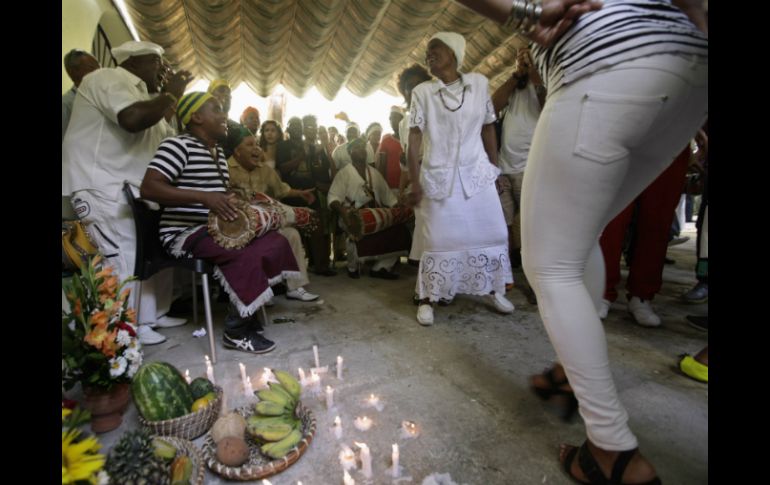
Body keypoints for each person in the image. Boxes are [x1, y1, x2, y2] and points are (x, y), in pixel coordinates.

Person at [456, 1, 707, 483]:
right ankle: (572, 374)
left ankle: (612, 450)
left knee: (549, 265)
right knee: (581, 233)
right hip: (687, 68)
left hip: (606, 65)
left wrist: (521, 14)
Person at [140, 92, 301, 354]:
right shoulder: (177, 146)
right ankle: (236, 332)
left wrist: (233, 201)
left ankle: (244, 312)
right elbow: (149, 188)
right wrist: (204, 198)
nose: (224, 115)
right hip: (183, 232)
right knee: (242, 251)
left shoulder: (217, 154)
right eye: (216, 109)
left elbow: (217, 196)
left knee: (275, 241)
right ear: (196, 117)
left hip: (213, 228)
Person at [62, 40, 193, 345]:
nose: (162, 70)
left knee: (151, 252)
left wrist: (170, 101)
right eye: (156, 63)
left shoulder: (149, 97)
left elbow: (167, 142)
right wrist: (171, 92)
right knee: (124, 256)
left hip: (135, 189)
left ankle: (152, 316)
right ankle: (123, 331)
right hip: (102, 184)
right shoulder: (107, 78)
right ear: (135, 61)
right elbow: (131, 120)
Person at [406, 32, 515, 327]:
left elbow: (489, 128)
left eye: (435, 49)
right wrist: (414, 182)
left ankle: (493, 290)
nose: (429, 55)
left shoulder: (479, 85)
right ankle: (428, 298)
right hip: (439, 177)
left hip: (476, 173)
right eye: (427, 51)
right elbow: (414, 139)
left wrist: (494, 171)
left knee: (493, 233)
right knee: (438, 239)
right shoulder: (422, 93)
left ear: (454, 53)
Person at [226, 126, 320, 302]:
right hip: (239, 228)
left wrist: (299, 193)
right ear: (237, 151)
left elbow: (281, 190)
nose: (256, 148)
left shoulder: (265, 170)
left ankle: (295, 287)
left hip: (265, 223)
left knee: (292, 234)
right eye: (249, 145)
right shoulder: (225, 169)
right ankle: (260, 291)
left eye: (256, 144)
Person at [492, 45, 544, 303]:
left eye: (528, 55)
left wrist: (537, 79)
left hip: (531, 168)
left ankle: (536, 282)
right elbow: (492, 105)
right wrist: (516, 75)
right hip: (505, 168)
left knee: (529, 228)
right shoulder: (515, 86)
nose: (523, 59)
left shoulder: (547, 83)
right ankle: (505, 277)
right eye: (519, 55)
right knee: (503, 225)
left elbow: (550, 108)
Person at [328, 137, 409, 280]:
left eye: (362, 147)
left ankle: (380, 267)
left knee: (399, 230)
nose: (361, 150)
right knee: (355, 229)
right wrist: (345, 215)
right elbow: (333, 198)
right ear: (350, 152)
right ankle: (353, 266)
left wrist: (398, 208)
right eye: (356, 147)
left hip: (375, 215)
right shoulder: (344, 173)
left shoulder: (374, 173)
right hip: (350, 215)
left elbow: (388, 197)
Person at [62, 49, 100, 141]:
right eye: (92, 68)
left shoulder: (100, 98)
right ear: (74, 72)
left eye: (99, 67)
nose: (99, 72)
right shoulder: (66, 104)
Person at [207, 79, 242, 158]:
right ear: (210, 95)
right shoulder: (204, 124)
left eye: (228, 93)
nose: (226, 95)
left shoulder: (237, 128)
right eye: (221, 91)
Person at [377, 106, 405, 193]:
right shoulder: (386, 140)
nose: (392, 121)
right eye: (391, 119)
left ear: (402, 120)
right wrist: (383, 187)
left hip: (408, 187)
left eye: (395, 118)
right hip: (390, 188)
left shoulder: (410, 139)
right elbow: (382, 166)